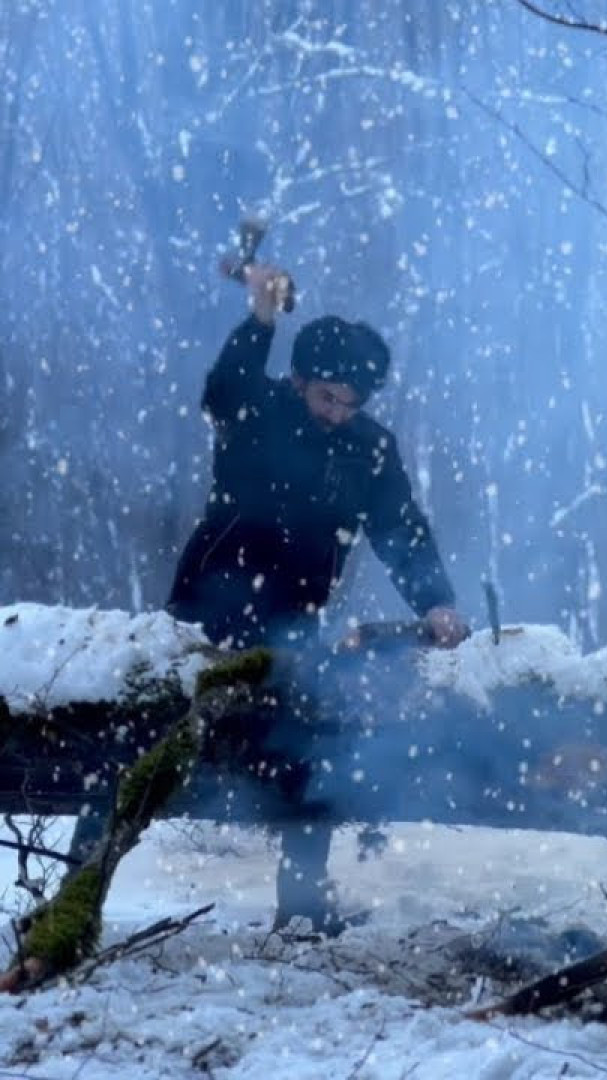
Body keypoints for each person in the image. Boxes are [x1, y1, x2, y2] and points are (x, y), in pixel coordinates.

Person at [162, 262, 469, 930]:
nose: (337, 414)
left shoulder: (369, 448)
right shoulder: (256, 411)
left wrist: (435, 601)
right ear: (299, 381)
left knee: (312, 746)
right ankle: (79, 891)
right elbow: (222, 387)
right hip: (209, 610)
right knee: (149, 735)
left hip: (296, 623)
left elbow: (400, 527)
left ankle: (302, 909)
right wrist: (261, 318)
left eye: (350, 404)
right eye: (327, 397)